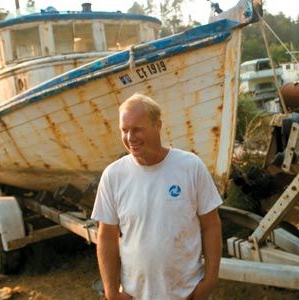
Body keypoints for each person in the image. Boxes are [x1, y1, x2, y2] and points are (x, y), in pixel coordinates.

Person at [91, 93, 222, 300]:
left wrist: (210, 280)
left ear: (158, 125)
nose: (130, 138)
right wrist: (111, 292)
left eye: (137, 129)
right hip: (136, 295)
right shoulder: (113, 176)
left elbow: (211, 225)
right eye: (124, 130)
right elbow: (107, 236)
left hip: (188, 294)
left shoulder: (190, 166)